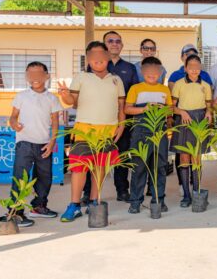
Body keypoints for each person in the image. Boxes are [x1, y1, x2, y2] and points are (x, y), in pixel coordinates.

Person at [58, 41, 125, 222]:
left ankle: (95, 200)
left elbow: (121, 106)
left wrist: (121, 124)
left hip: (108, 130)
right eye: (93, 55)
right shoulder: (81, 77)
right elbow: (72, 101)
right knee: (79, 168)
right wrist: (64, 94)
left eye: (101, 54)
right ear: (88, 59)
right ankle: (74, 205)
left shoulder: (116, 80)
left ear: (107, 57)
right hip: (84, 130)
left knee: (100, 168)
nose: (98, 59)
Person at [7, 62, 63, 227]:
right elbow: (13, 116)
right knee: (20, 177)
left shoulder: (52, 98)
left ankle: (38, 206)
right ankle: (15, 212)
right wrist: (14, 123)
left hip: (44, 144)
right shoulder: (22, 96)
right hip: (24, 143)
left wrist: (52, 141)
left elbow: (54, 122)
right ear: (26, 77)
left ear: (46, 76)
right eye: (30, 74)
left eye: (38, 73)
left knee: (44, 177)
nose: (34, 77)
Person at [125, 57, 172, 214]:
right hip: (140, 133)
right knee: (139, 167)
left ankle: (158, 199)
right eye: (148, 71)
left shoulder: (165, 90)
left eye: (155, 71)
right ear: (142, 71)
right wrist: (144, 109)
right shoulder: (136, 88)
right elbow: (127, 109)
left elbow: (171, 111)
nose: (152, 74)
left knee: (159, 167)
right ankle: (135, 202)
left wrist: (163, 109)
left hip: (160, 133)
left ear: (160, 72)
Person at [100, 31, 138, 202]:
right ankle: (90, 192)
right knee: (96, 156)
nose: (114, 44)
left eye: (118, 41)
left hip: (124, 119)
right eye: (110, 41)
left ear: (121, 45)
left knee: (122, 155)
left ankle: (122, 190)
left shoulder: (130, 68)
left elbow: (135, 94)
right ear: (104, 45)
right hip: (100, 119)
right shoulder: (96, 65)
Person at [170, 54, 213, 207]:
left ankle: (197, 191)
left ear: (200, 68)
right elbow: (172, 107)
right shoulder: (179, 84)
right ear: (186, 68)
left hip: (199, 120)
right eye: (191, 66)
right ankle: (186, 195)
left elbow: (209, 106)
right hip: (183, 120)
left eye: (197, 66)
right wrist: (181, 112)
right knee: (184, 158)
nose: (194, 69)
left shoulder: (206, 85)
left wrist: (208, 112)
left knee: (196, 158)